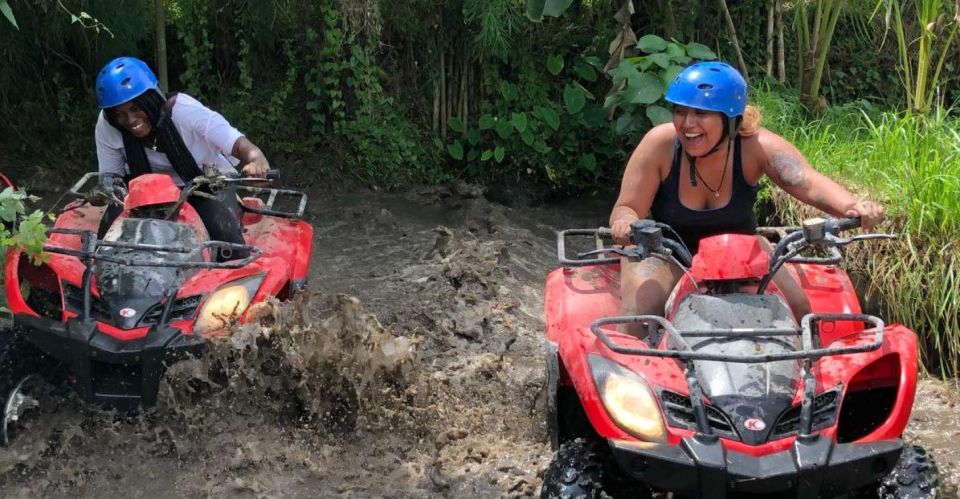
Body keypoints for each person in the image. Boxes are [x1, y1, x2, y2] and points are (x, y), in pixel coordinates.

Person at [609, 61, 883, 330]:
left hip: (742, 254)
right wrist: (624, 222)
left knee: (799, 308)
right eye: (680, 111)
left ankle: (807, 373)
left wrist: (852, 205)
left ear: (731, 121)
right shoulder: (661, 144)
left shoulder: (755, 147)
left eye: (701, 113)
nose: (687, 123)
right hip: (667, 253)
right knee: (641, 314)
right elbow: (627, 207)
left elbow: (806, 181)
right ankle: (628, 372)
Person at [92, 56, 270, 258]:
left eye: (136, 108)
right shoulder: (108, 126)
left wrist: (255, 158)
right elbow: (112, 176)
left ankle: (233, 280)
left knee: (225, 239)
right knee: (106, 236)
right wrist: (106, 188)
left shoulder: (184, 111)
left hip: (204, 186)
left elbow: (236, 142)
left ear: (150, 99)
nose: (130, 120)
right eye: (120, 114)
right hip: (148, 193)